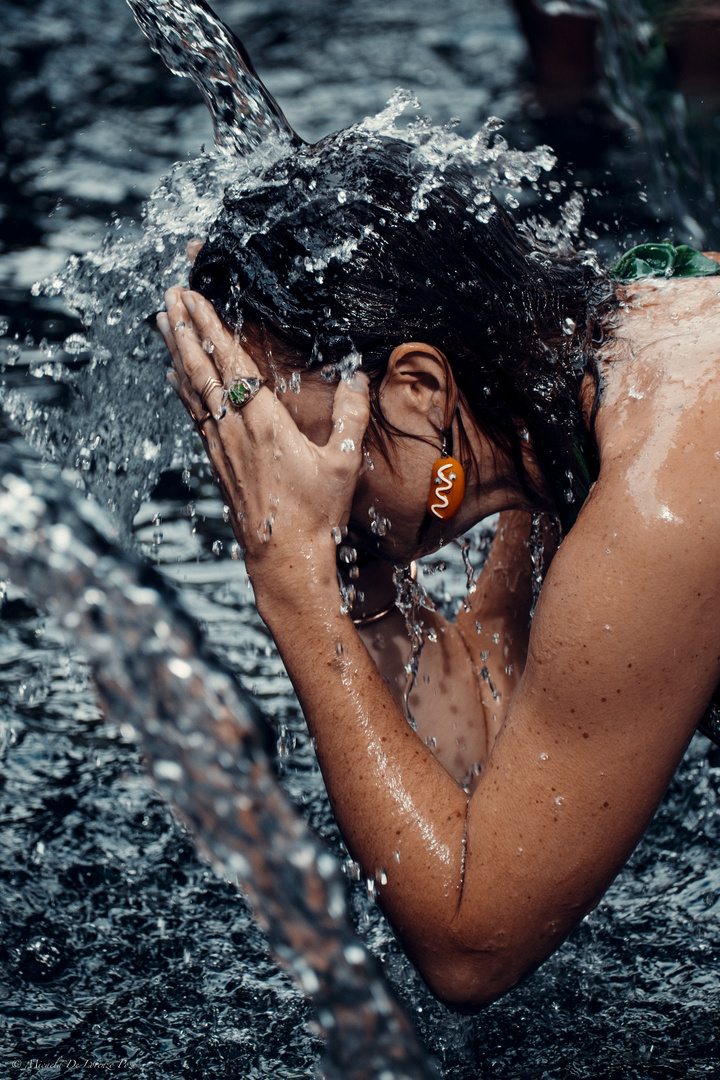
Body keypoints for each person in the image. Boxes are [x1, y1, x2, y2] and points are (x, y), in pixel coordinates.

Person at [156, 130, 720, 1011]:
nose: (268, 465)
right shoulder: (576, 398)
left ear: (416, 387)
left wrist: (293, 583)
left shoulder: (662, 497)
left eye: (281, 423)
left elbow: (473, 941)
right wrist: (355, 565)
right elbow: (488, 748)